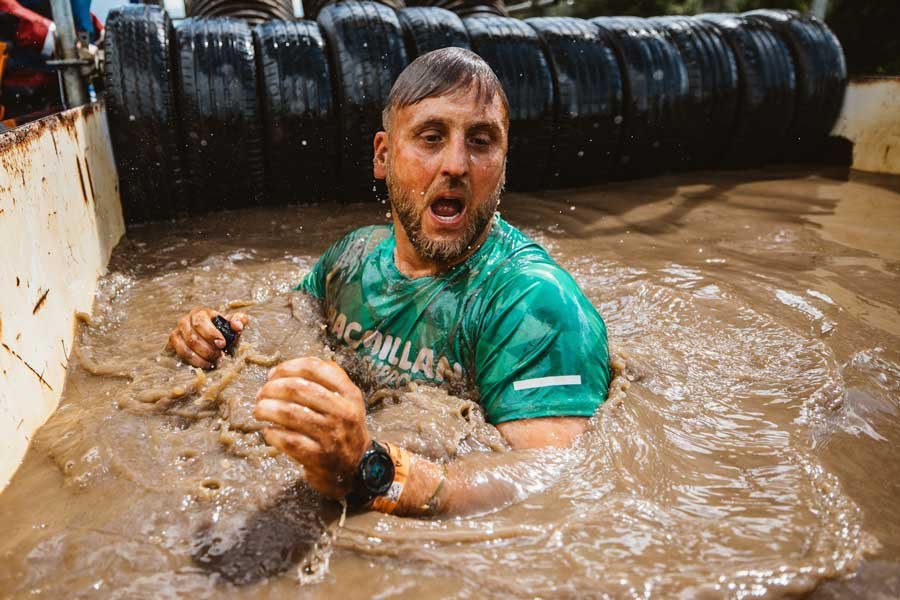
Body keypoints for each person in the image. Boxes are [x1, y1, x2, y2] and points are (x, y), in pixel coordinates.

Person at [167, 48, 610, 517]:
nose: (456, 164)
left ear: (503, 159)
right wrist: (211, 336)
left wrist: (371, 469)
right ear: (383, 156)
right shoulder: (353, 257)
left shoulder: (537, 304)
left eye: (481, 141)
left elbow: (544, 478)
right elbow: (278, 327)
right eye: (431, 137)